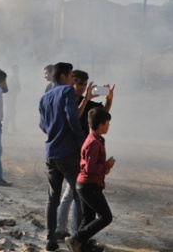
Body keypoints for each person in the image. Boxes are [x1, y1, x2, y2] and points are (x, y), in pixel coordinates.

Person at [56, 70, 115, 240]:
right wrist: (87, 99)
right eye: (79, 83)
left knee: (72, 192)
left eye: (84, 84)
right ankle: (76, 235)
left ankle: (67, 230)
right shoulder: (67, 100)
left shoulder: (85, 101)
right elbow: (74, 118)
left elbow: (101, 115)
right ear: (70, 83)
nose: (82, 87)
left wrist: (109, 99)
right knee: (75, 194)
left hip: (82, 151)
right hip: (71, 151)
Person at [39, 62, 85, 252]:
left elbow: (42, 126)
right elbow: (73, 119)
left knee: (52, 198)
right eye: (72, 76)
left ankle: (50, 240)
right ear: (65, 76)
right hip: (68, 152)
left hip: (51, 152)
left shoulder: (44, 97)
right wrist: (83, 144)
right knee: (79, 196)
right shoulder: (67, 91)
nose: (74, 80)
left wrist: (53, 132)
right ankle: (79, 238)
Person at [65, 108, 115, 252]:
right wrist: (107, 165)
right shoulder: (93, 142)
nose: (109, 126)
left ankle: (82, 246)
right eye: (107, 123)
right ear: (100, 125)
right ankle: (76, 239)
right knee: (106, 217)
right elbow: (90, 168)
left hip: (85, 184)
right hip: (88, 185)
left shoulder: (96, 139)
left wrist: (105, 168)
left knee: (88, 218)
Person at [5, 64, 21, 134]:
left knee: (13, 112)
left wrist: (16, 91)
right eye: (15, 69)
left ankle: (13, 128)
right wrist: (14, 92)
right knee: (9, 113)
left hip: (13, 97)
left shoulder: (16, 77)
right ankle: (5, 129)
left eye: (17, 69)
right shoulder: (11, 77)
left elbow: (18, 87)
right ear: (13, 70)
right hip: (9, 97)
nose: (16, 71)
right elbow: (9, 88)